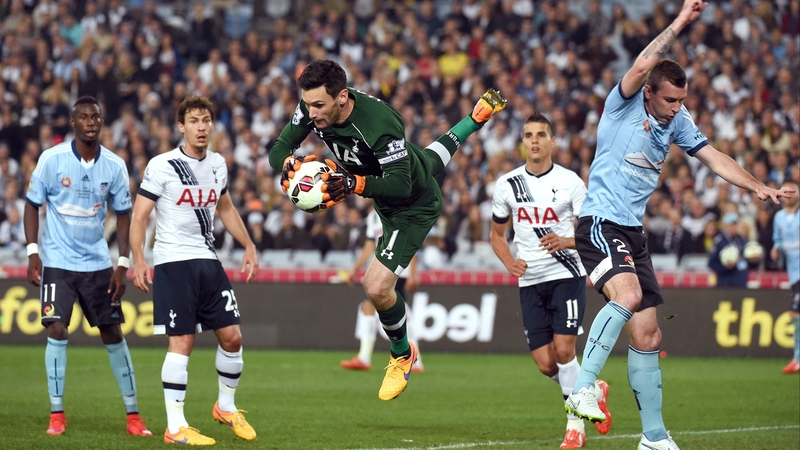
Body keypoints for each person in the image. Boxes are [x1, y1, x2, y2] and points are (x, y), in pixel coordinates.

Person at [562, 1, 796, 449]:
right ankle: (583, 387)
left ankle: (653, 438)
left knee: (649, 333)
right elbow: (644, 61)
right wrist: (682, 22)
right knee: (628, 296)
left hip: (632, 231)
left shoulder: (678, 121)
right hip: (599, 222)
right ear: (648, 92)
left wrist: (756, 186)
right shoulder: (622, 104)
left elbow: (713, 158)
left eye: (682, 101)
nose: (675, 109)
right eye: (669, 99)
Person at [268, 59, 506, 400]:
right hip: (407, 170)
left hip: (413, 206)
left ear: (342, 97)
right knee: (430, 158)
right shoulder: (312, 106)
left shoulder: (380, 122)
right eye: (307, 104)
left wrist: (353, 182)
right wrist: (287, 163)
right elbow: (278, 148)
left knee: (376, 286)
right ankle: (476, 117)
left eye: (319, 105)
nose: (311, 113)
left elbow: (399, 185)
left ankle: (402, 352)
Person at [130, 96, 259, 445]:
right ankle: (175, 428)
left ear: (212, 125)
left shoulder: (218, 164)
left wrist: (248, 244)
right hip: (173, 262)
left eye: (206, 120)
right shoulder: (162, 165)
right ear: (181, 126)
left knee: (233, 338)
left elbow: (227, 208)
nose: (201, 127)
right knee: (182, 342)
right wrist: (139, 259)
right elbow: (140, 216)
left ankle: (226, 407)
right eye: (194, 121)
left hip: (208, 260)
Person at [23, 96, 151, 437]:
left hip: (97, 263)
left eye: (95, 116)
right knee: (56, 329)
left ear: (101, 121)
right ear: (73, 122)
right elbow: (32, 204)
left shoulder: (114, 165)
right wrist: (33, 251)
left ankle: (134, 416)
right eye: (83, 117)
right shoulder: (52, 160)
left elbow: (124, 215)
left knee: (113, 332)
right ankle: (57, 414)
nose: (91, 122)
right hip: (57, 262)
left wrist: (122, 263)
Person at [490, 112, 611, 449]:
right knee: (546, 364)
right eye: (528, 134)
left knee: (563, 350)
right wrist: (509, 262)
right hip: (530, 280)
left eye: (541, 134)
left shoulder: (571, 181)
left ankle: (575, 428)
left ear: (552, 141)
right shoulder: (507, 184)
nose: (534, 140)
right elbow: (496, 234)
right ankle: (592, 389)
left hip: (566, 273)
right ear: (522, 142)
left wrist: (566, 240)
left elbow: (591, 230)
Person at [340, 207, 424, 373]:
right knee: (397, 310)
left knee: (373, 306)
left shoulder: (399, 210)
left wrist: (413, 273)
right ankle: (415, 360)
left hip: (399, 268)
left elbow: (410, 242)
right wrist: (355, 269)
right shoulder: (373, 216)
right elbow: (370, 245)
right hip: (382, 269)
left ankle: (366, 357)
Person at [770, 180, 800, 374]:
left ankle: (797, 359)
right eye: (785, 191)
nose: (789, 194)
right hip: (793, 272)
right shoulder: (779, 217)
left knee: (795, 313)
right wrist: (776, 249)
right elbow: (778, 241)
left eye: (793, 191)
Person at [708, 212, 749, 287]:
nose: (734, 227)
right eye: (732, 224)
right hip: (726, 282)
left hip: (741, 281)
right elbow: (711, 263)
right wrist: (726, 267)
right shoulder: (719, 241)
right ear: (725, 226)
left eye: (735, 224)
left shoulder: (741, 240)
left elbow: (746, 258)